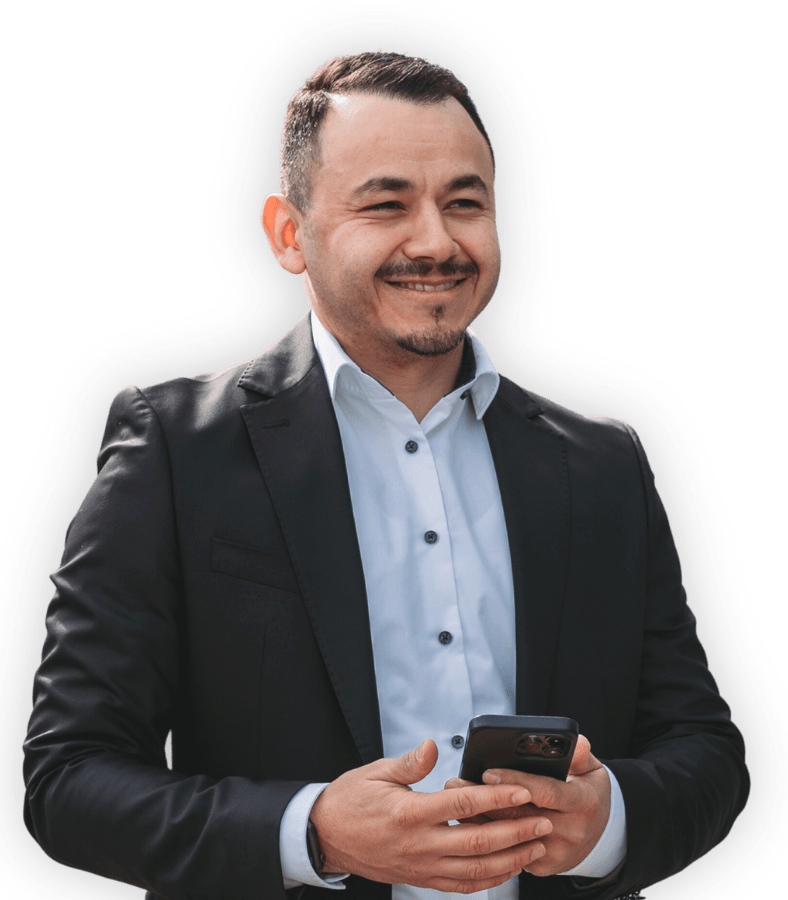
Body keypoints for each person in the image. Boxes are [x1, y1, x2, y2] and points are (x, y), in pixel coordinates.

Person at [22, 50, 748, 900]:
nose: (436, 242)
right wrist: (313, 833)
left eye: (465, 203)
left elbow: (707, 755)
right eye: (386, 203)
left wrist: (605, 821)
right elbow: (67, 779)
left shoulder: (601, 462)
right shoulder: (176, 448)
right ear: (288, 234)